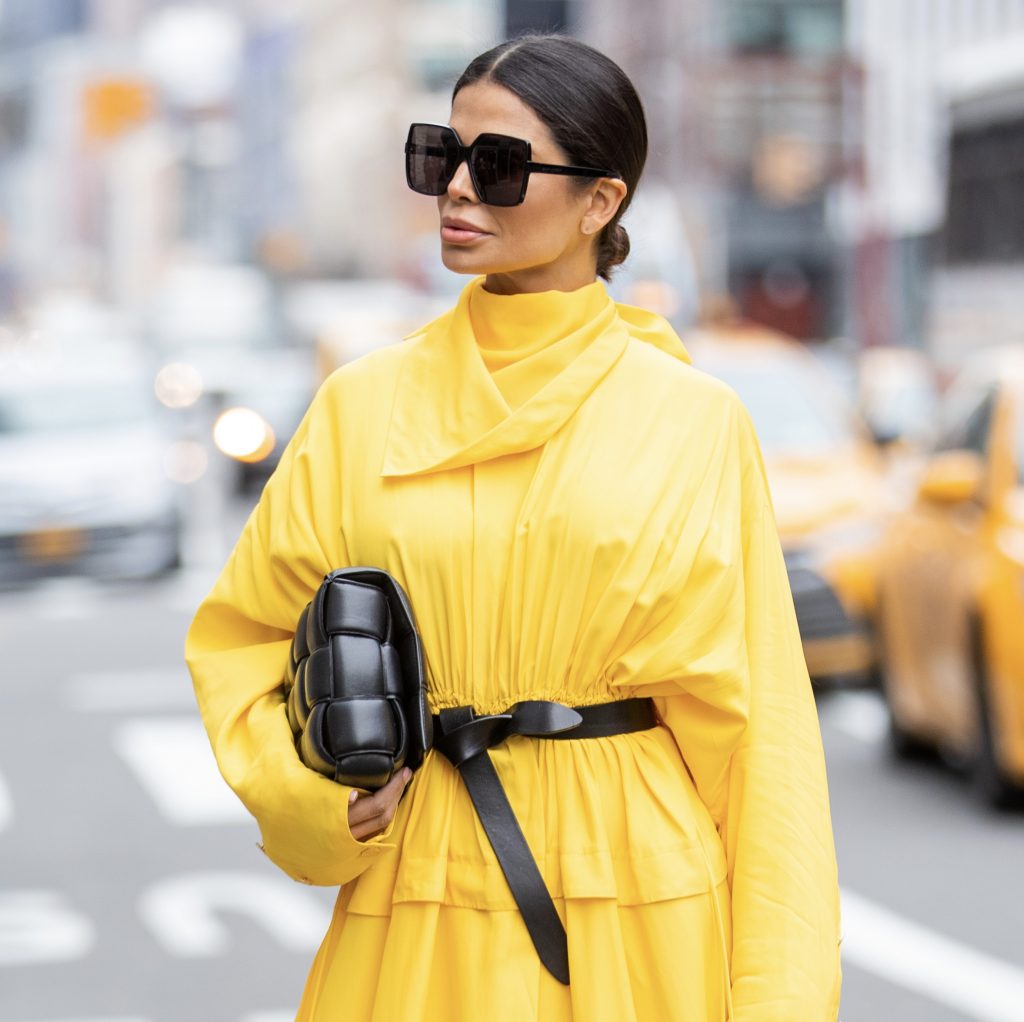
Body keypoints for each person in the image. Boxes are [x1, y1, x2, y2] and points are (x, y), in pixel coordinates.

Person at [185, 34, 842, 1022]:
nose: (456, 187)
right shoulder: (359, 405)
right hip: (417, 889)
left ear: (600, 202)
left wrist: (781, 999)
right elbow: (243, 640)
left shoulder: (693, 421)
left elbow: (763, 750)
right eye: (437, 155)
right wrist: (317, 797)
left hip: (639, 904)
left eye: (496, 165)